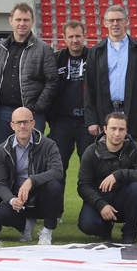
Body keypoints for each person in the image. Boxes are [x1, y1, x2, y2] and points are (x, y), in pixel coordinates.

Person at [0, 2, 59, 148]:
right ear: (11, 21)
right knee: (3, 155)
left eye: (26, 20)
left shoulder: (44, 49)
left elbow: (52, 81)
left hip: (31, 114)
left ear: (32, 22)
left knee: (33, 155)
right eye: (18, 19)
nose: (22, 23)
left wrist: (36, 107)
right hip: (3, 114)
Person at [0, 105, 65, 244]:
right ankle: (25, 226)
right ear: (12, 125)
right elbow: (0, 183)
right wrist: (12, 200)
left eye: (26, 122)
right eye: (18, 122)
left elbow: (57, 171)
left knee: (54, 186)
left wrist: (32, 180)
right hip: (19, 198)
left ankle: (47, 231)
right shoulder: (3, 149)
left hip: (41, 197)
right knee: (2, 215)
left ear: (33, 123)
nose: (22, 126)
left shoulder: (48, 144)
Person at [76, 111, 137, 243]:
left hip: (125, 198)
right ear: (105, 129)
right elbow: (83, 185)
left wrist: (119, 174)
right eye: (113, 128)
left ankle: (130, 233)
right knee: (87, 225)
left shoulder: (136, 149)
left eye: (121, 129)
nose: (117, 133)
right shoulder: (92, 151)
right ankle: (105, 228)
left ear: (126, 131)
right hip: (100, 197)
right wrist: (101, 205)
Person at [85, 4, 137, 139]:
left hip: (130, 112)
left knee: (130, 150)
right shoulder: (96, 51)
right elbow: (89, 88)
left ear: (126, 21)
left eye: (119, 20)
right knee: (104, 151)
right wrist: (91, 120)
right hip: (104, 112)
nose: (115, 24)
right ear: (105, 23)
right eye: (111, 20)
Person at [48, 20, 90, 174]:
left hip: (87, 122)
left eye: (78, 36)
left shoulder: (94, 57)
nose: (75, 40)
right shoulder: (56, 59)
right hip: (61, 121)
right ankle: (55, 192)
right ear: (64, 38)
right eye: (71, 36)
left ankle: (89, 192)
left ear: (84, 36)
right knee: (57, 165)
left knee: (89, 166)